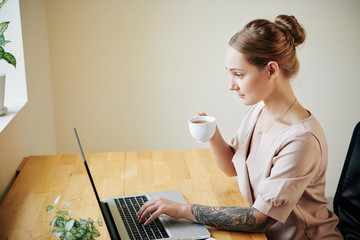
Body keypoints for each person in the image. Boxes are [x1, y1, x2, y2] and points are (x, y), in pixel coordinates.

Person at [137, 14, 343, 239]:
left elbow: (259, 219)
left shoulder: (301, 140)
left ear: (272, 70)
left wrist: (182, 210)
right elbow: (231, 167)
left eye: (239, 74)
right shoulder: (258, 111)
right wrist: (212, 133)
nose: (231, 86)